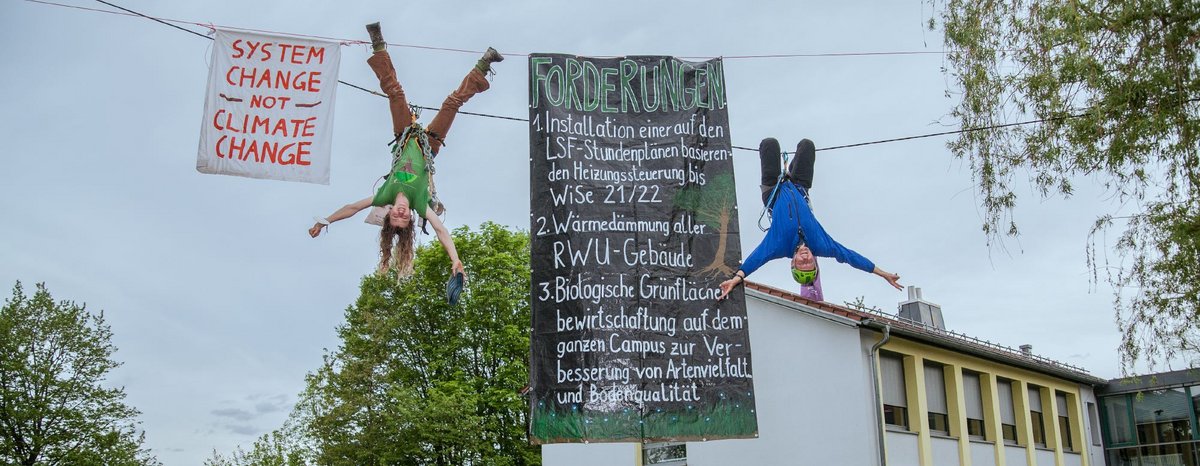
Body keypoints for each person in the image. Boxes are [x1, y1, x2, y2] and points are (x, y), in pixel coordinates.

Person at [309, 23, 502, 281]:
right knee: (452, 104)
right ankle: (484, 63)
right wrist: (455, 259)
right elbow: (441, 230)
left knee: (395, 93)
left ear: (389, 213)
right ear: (410, 217)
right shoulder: (421, 204)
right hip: (428, 146)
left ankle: (377, 44)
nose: (400, 213)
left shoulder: (385, 194)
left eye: (395, 217)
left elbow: (352, 207)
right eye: (404, 218)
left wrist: (326, 221)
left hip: (404, 135)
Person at [717, 138, 902, 300]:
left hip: (773, 190)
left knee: (769, 144)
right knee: (807, 145)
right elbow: (850, 257)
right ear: (815, 260)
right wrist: (882, 273)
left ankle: (783, 169)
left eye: (801, 263)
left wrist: (736, 279)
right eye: (809, 263)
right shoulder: (822, 245)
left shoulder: (777, 246)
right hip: (799, 187)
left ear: (793, 262)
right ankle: (791, 170)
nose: (805, 258)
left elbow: (755, 260)